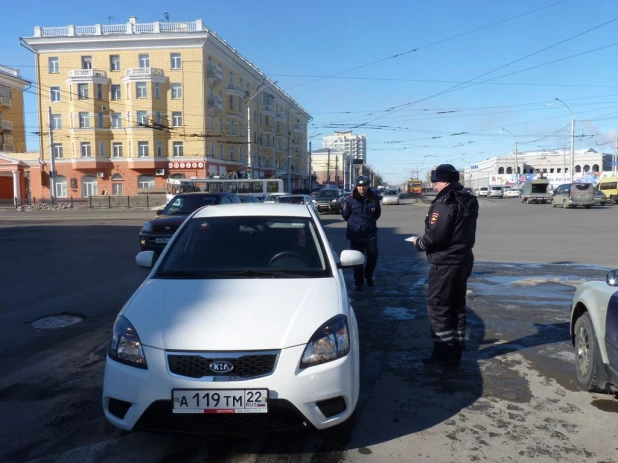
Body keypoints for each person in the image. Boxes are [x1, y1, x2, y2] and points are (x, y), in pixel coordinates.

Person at [412, 164, 479, 366]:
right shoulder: (467, 198)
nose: (434, 185)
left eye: (436, 181)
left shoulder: (444, 202)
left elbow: (435, 237)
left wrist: (419, 242)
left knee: (438, 307)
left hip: (445, 262)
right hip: (463, 259)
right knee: (457, 305)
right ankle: (456, 349)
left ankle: (443, 354)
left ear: (445, 181)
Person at [342, 175, 382, 291]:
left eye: (364, 186)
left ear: (367, 186)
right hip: (356, 235)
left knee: (373, 256)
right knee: (357, 260)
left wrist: (368, 223)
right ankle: (358, 282)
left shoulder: (373, 198)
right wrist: (355, 224)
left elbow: (377, 214)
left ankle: (368, 276)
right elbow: (345, 215)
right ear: (356, 186)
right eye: (359, 186)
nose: (361, 188)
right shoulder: (350, 199)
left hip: (370, 234)